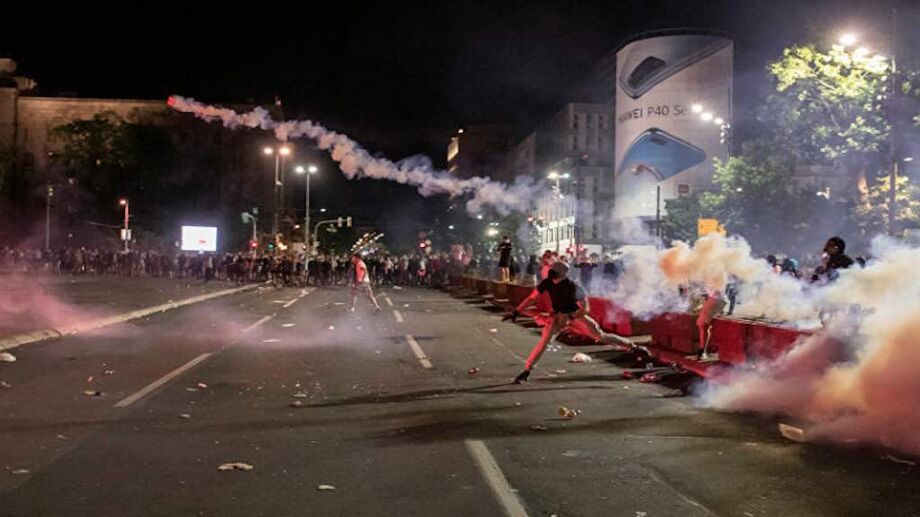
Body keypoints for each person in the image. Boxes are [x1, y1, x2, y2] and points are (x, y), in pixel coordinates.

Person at [507, 262, 632, 384]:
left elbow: (585, 309)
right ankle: (526, 371)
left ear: (563, 273)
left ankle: (631, 346)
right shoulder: (547, 283)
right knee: (544, 342)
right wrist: (517, 311)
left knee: (600, 336)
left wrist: (571, 317)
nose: (551, 272)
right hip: (558, 316)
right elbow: (531, 298)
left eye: (554, 271)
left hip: (576, 315)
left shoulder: (573, 287)